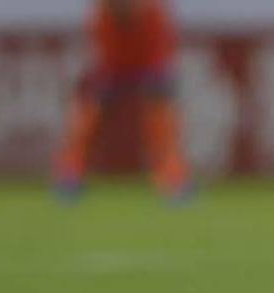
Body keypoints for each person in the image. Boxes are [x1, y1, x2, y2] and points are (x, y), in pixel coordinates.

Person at [54, 0, 192, 201]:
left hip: (151, 65)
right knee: (86, 118)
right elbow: (104, 55)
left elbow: (159, 57)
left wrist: (154, 84)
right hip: (113, 66)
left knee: (162, 121)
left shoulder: (155, 12)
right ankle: (69, 178)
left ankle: (174, 181)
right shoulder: (102, 14)